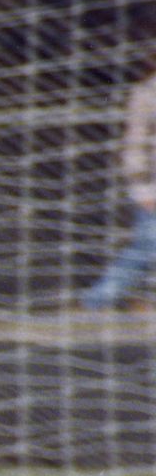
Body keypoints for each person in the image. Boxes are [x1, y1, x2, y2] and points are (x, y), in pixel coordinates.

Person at [81, 64, 156, 310]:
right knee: (146, 247)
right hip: (152, 185)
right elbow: (135, 143)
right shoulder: (146, 92)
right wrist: (142, 188)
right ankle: (97, 299)